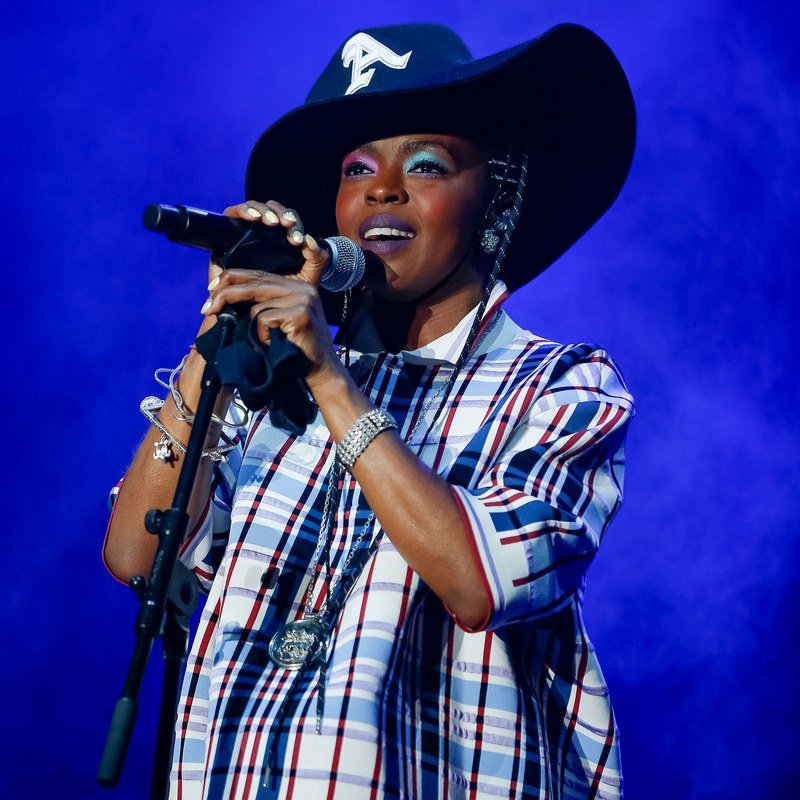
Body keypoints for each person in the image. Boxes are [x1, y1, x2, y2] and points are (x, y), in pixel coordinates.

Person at [104, 22, 636, 800]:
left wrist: (329, 378)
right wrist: (218, 330)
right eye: (358, 169)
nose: (384, 187)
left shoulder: (561, 385)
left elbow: (478, 581)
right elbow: (135, 558)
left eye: (426, 164)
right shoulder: (273, 379)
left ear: (496, 196)